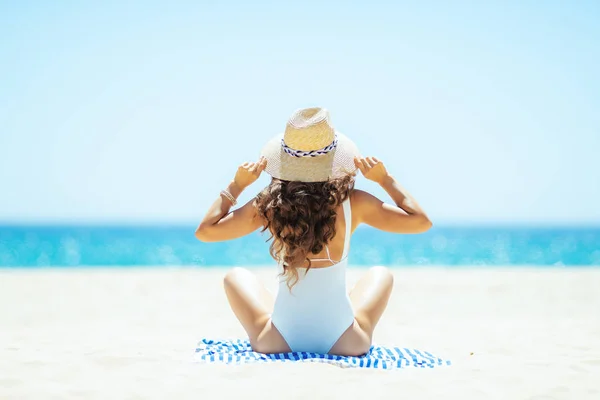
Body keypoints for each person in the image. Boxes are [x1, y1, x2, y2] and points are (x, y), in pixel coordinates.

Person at [195, 107, 431, 356]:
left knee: (235, 276)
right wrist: (385, 180)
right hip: (347, 343)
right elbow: (420, 222)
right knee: (381, 274)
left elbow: (206, 232)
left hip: (277, 342)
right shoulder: (354, 203)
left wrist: (237, 185)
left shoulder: (269, 205)